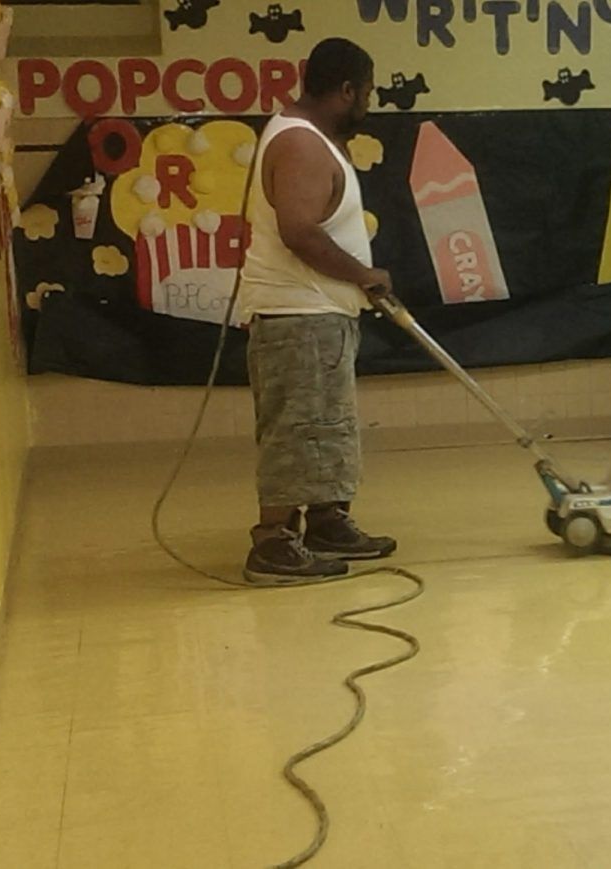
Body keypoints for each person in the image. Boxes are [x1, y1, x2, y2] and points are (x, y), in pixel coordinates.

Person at [236, 37, 397, 586]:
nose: (368, 103)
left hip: (320, 313)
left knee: (327, 426)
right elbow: (298, 231)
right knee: (297, 429)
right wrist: (362, 274)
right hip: (296, 314)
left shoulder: (312, 137)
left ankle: (326, 521)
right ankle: (273, 543)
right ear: (347, 89)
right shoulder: (301, 144)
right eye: (367, 92)